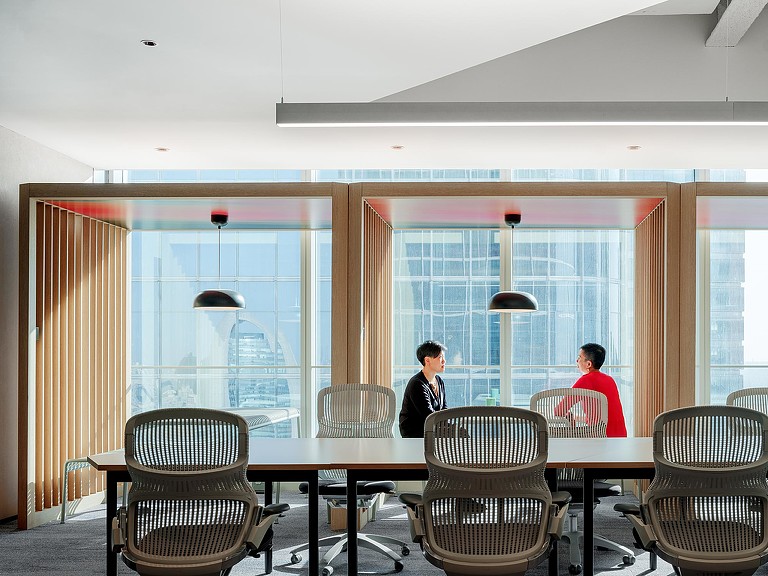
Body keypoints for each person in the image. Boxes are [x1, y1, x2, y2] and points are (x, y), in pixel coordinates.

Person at [555, 342, 627, 437]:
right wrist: (577, 418)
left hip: (599, 438)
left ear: (588, 364)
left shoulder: (585, 380)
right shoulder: (609, 380)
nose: (577, 360)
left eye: (579, 357)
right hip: (619, 437)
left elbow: (559, 411)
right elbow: (604, 417)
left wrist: (569, 415)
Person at [399, 340, 448, 438]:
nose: (444, 361)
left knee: (460, 432)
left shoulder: (439, 381)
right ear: (427, 360)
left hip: (433, 429)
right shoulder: (417, 384)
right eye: (440, 357)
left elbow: (444, 410)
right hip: (417, 433)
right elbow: (428, 415)